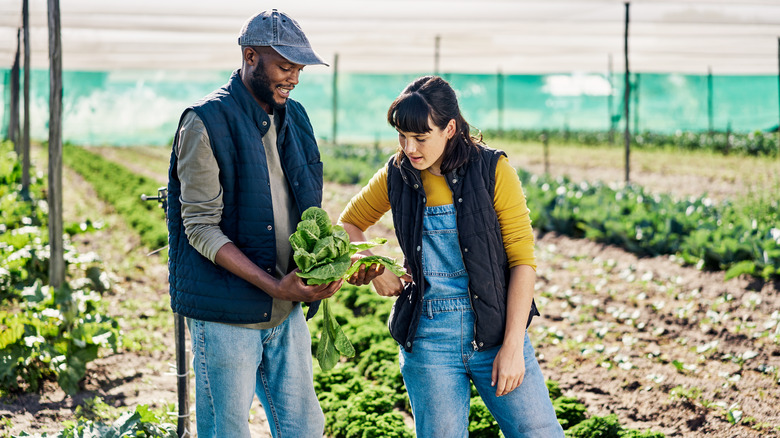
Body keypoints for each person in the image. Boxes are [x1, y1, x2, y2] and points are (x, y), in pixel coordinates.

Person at [166, 9, 380, 438]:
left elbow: (306, 214)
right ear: (250, 57)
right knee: (226, 431)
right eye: (285, 66)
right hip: (226, 315)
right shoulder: (205, 122)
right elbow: (200, 227)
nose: (294, 77)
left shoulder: (296, 117)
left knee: (303, 427)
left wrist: (337, 263)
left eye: (298, 68)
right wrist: (273, 285)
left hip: (285, 312)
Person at [338, 76, 564, 437]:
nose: (409, 148)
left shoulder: (493, 170)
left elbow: (522, 262)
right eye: (401, 136)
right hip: (428, 339)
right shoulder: (396, 175)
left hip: (494, 331)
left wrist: (512, 347)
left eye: (421, 137)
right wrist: (373, 265)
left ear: (450, 128)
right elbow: (348, 224)